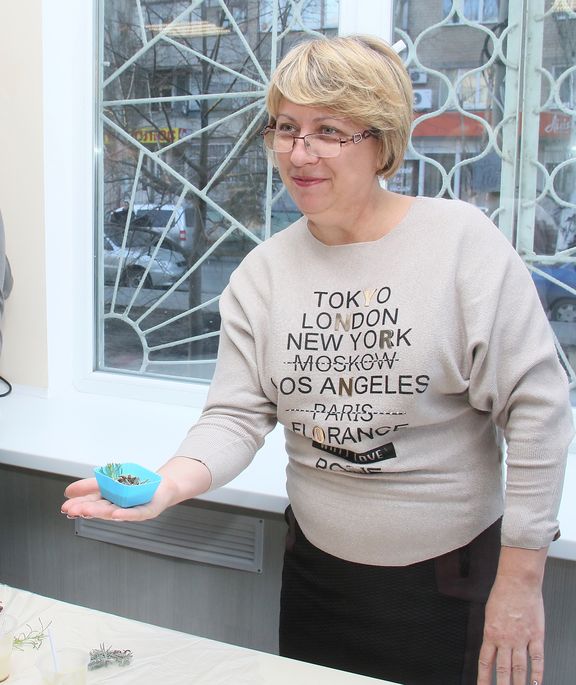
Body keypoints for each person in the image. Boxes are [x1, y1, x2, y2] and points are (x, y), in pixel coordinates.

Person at [61, 35, 574, 685]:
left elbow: (538, 409)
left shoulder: (461, 245)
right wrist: (167, 484)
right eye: (286, 128)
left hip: (449, 579)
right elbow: (235, 417)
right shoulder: (263, 273)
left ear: (382, 141)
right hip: (317, 572)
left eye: (328, 130)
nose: (299, 153)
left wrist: (521, 581)